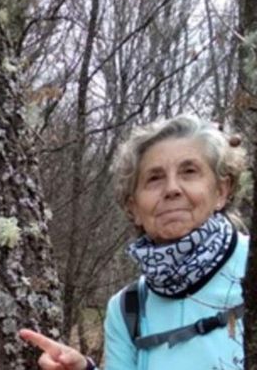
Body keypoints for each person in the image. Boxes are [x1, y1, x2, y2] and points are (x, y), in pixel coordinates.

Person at [20, 114, 248, 370]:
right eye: (154, 178)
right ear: (133, 207)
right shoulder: (128, 308)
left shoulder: (249, 265)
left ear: (221, 190)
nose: (172, 188)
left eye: (189, 172)